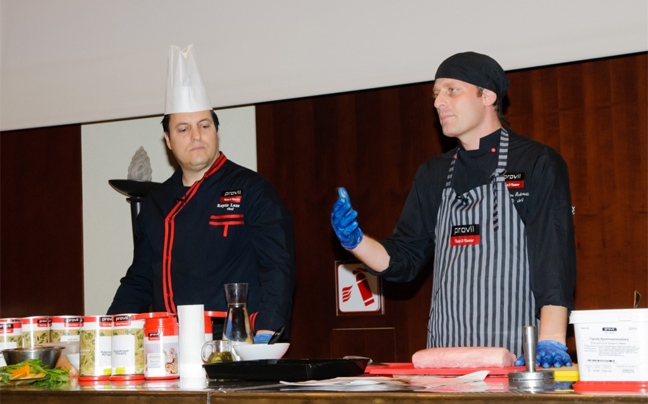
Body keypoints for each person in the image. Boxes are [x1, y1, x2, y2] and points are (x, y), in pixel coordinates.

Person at [331, 51, 576, 368]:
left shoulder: (535, 162)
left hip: (516, 356)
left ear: (487, 96)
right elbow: (405, 257)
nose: (438, 102)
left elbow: (553, 257)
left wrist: (552, 339)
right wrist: (356, 242)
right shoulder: (432, 174)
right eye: (436, 94)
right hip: (444, 358)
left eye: (452, 90)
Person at [108, 44, 295, 341]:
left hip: (237, 343)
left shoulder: (252, 189)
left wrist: (268, 333)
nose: (196, 136)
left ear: (216, 131)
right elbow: (140, 280)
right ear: (168, 140)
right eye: (183, 129)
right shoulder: (156, 203)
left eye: (204, 125)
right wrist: (108, 332)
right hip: (170, 345)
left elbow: (277, 267)